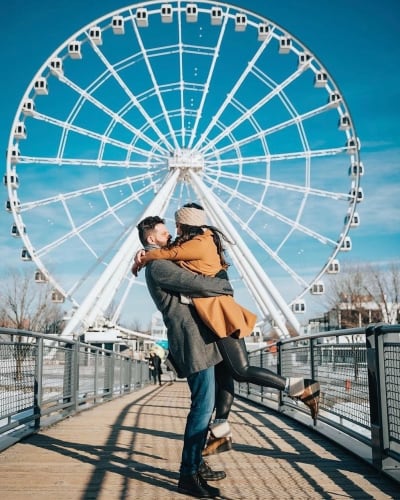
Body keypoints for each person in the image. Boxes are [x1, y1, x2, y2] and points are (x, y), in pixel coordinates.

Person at [133, 204, 321, 449]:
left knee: (240, 370)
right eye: (168, 229)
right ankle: (220, 432)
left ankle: (300, 387)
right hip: (213, 318)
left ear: (187, 225)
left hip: (222, 315)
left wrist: (144, 257)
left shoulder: (198, 243)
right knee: (225, 375)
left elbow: (169, 256)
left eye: (177, 225)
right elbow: (171, 254)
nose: (173, 231)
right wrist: (144, 253)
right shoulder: (191, 244)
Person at [135, 215, 235, 498]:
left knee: (209, 403)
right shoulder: (158, 267)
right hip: (191, 343)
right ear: (151, 238)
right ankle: (187, 475)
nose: (169, 237)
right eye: (164, 233)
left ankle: (196, 464)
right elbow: (194, 283)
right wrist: (225, 286)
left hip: (201, 341)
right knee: (202, 408)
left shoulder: (158, 261)